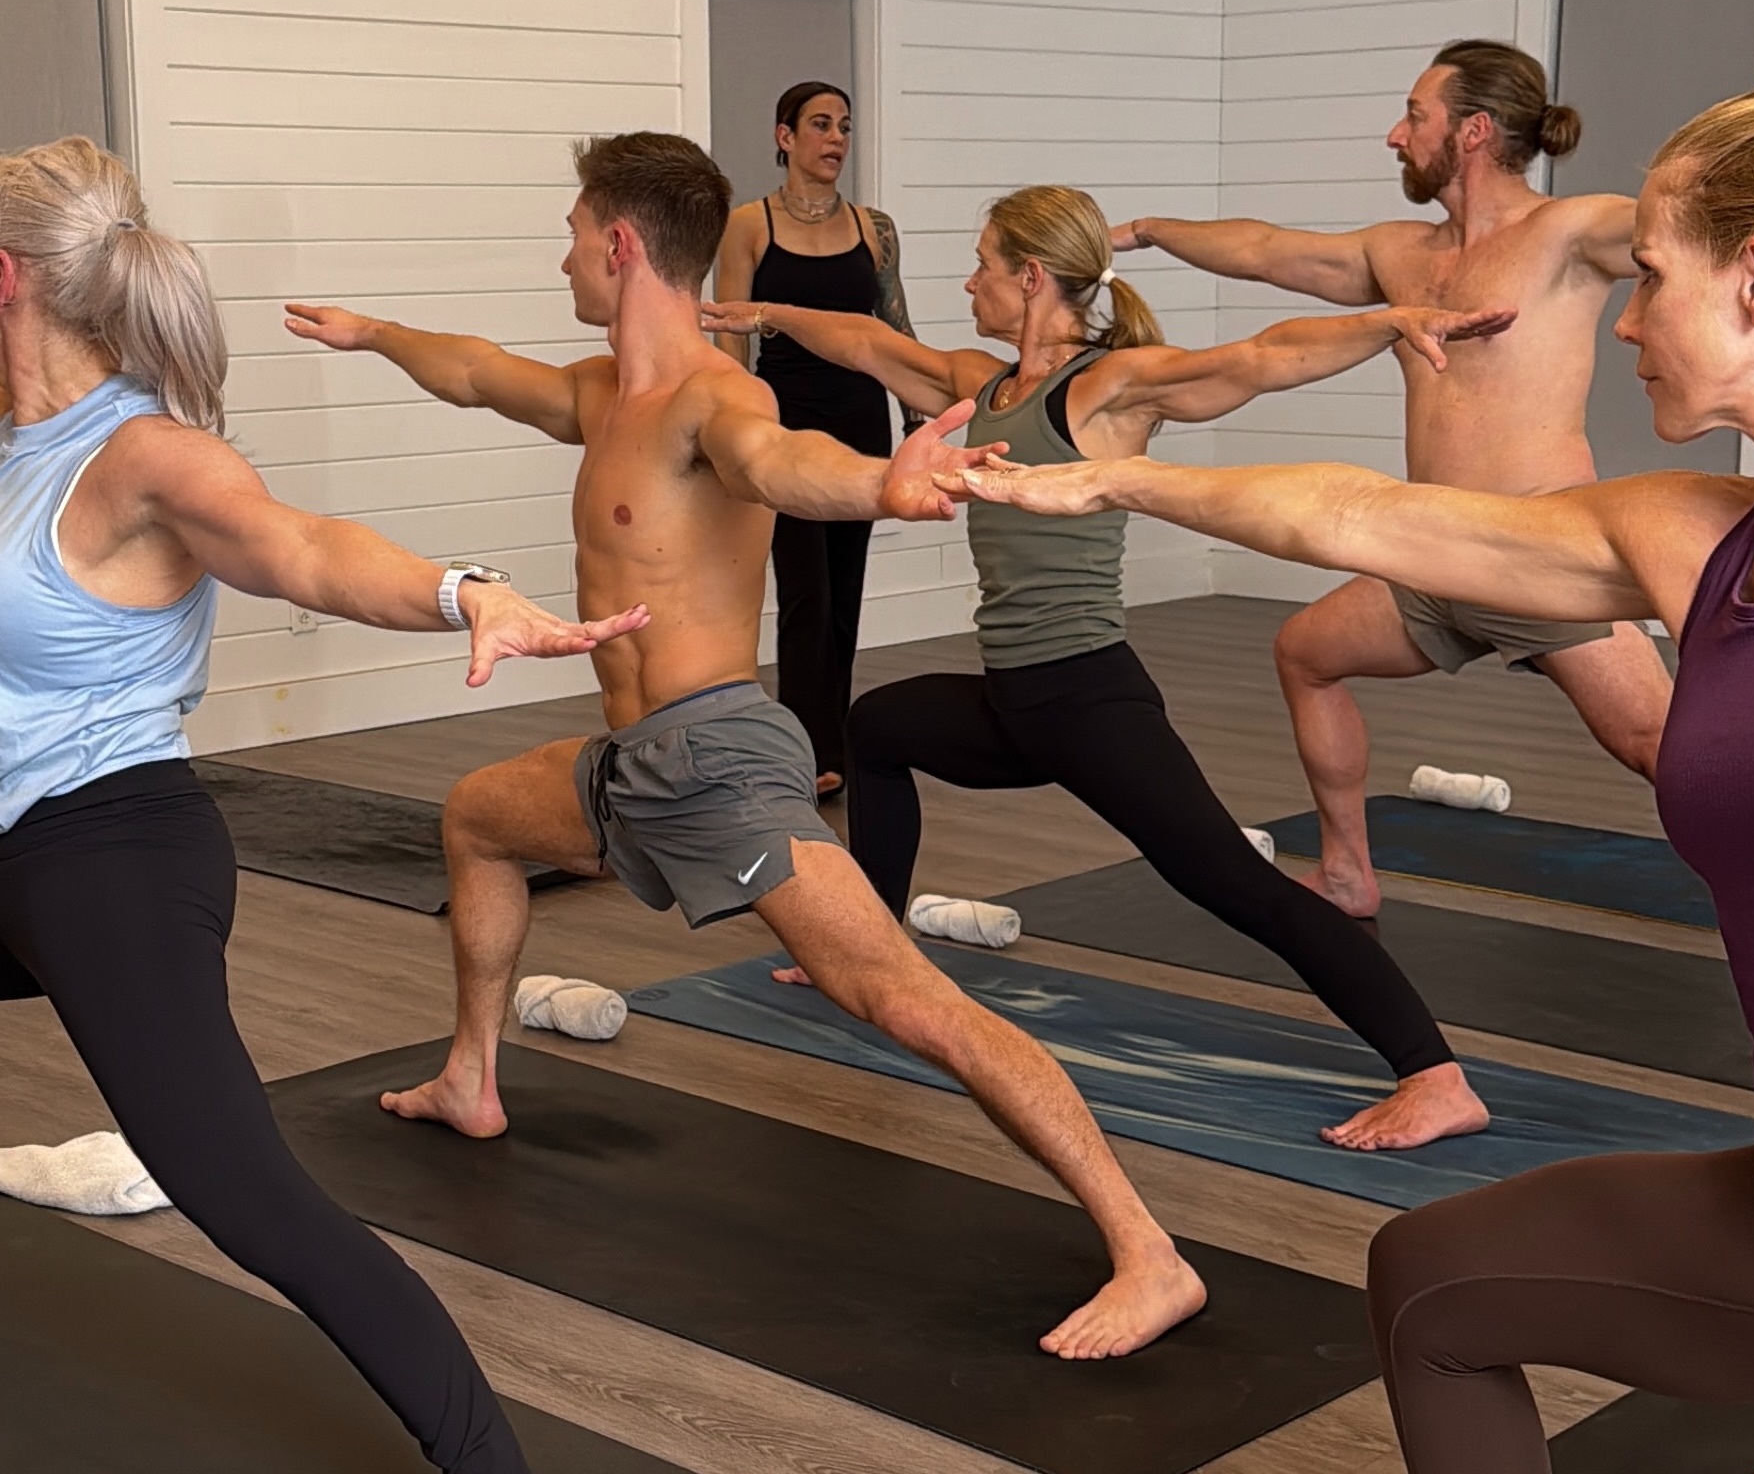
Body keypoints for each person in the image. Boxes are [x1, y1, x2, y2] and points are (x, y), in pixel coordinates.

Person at [943, 80, 1754, 1474]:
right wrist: (1111, 485)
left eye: (1648, 282)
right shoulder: (1692, 537)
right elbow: (1357, 511)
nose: (1626, 319)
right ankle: (1344, 865)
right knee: (1435, 1284)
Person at [285, 132, 1204, 1361]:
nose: (563, 257)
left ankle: (1150, 1251)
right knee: (477, 818)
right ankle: (472, 1077)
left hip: (715, 760)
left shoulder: (721, 399)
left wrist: (887, 485)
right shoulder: (603, 394)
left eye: (572, 234)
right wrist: (372, 332)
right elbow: (477, 373)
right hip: (630, 766)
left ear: (619, 245)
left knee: (901, 999)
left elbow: (789, 466)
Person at [0, 137, 650, 1474]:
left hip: (111, 867)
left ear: (3, 277)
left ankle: (488, 1459)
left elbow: (305, 550)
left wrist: (463, 592)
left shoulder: (146, 461)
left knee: (244, 1196)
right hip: (12, 855)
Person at [704, 183, 1506, 1150]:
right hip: (1015, 698)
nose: (969, 283)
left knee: (1234, 887)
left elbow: (1258, 358)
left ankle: (1433, 1072)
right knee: (877, 728)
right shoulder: (984, 383)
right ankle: (871, 948)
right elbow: (869, 344)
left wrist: (1389, 323)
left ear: (1031, 277)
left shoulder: (1106, 389)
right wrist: (763, 312)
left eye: (983, 266)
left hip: (1090, 701)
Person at [1116, 38, 1673, 917]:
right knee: (1305, 652)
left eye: (1415, 116)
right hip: (1428, 555)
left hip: (1538, 554)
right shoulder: (1402, 252)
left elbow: (1686, 226)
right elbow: (1264, 249)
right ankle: (1346, 871)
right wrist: (1144, 232)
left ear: (1476, 131)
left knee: (1665, 750)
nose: (1394, 135)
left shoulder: (1570, 231)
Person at [712, 81, 918, 797]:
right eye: (821, 125)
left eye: (845, 128)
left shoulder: (875, 227)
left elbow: (896, 332)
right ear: (784, 137)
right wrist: (736, 430)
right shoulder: (748, 225)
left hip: (861, 420)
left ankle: (831, 740)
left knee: (845, 590)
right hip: (786, 422)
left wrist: (923, 419)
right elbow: (730, 339)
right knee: (806, 591)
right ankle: (808, 750)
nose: (835, 139)